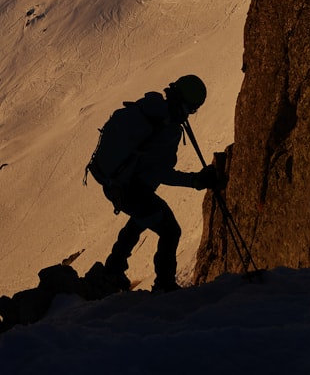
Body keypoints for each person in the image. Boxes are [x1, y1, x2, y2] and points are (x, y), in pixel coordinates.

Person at [86, 74, 220, 293]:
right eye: (192, 109)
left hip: (118, 183)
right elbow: (162, 173)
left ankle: (114, 267)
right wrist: (196, 181)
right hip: (132, 189)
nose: (190, 114)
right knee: (170, 230)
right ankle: (164, 284)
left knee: (141, 218)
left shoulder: (151, 108)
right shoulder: (166, 129)